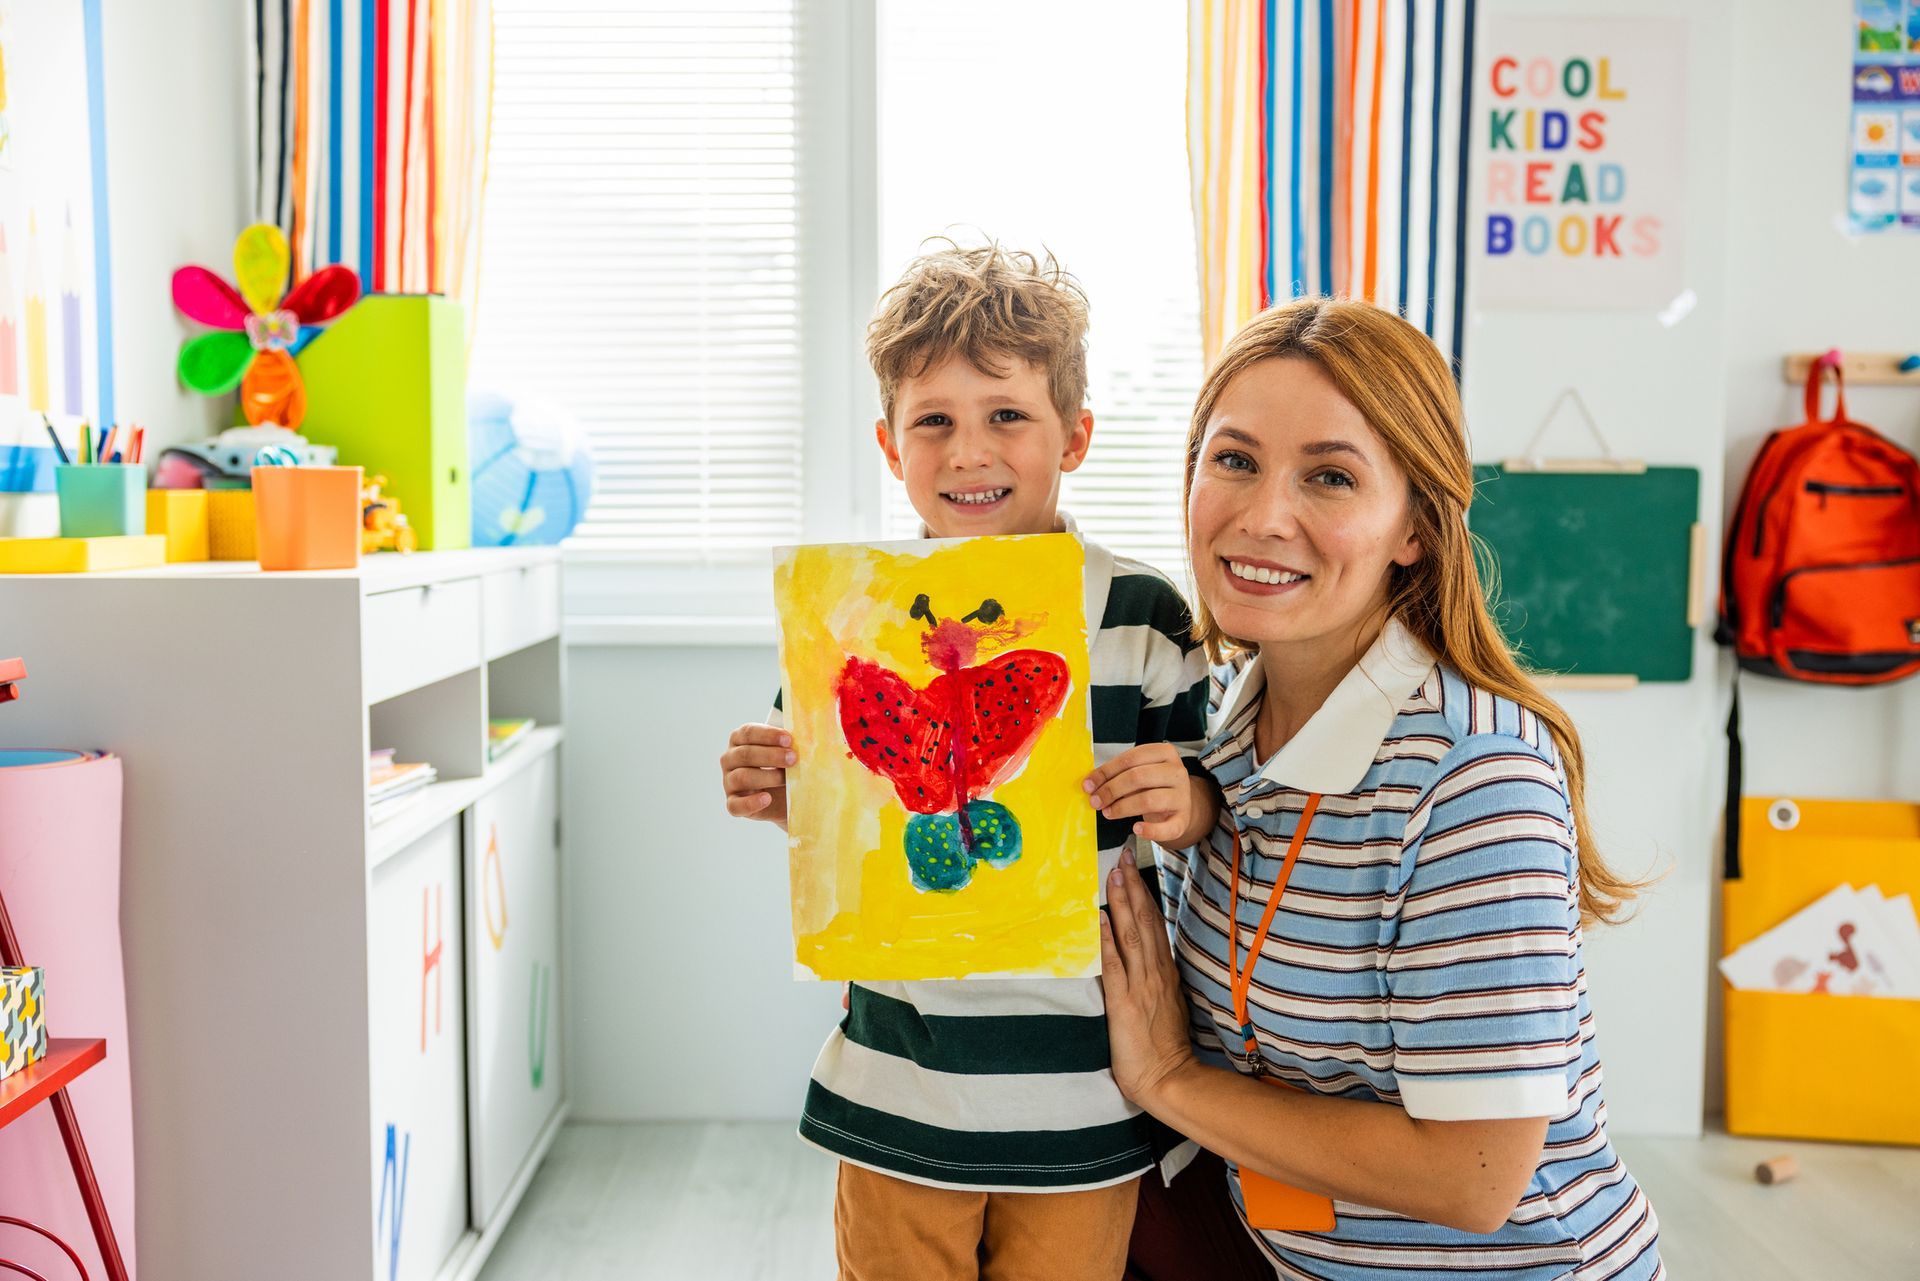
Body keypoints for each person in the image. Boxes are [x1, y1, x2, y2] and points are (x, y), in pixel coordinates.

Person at [1096, 296, 1664, 1279]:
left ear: (1414, 528)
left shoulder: (1472, 776)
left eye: (1330, 477)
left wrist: (1171, 1080)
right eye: (1233, 460)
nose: (1263, 516)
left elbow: (1475, 1177)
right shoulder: (1215, 716)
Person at [719, 242, 1218, 1281]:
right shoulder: (848, 618)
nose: (967, 451)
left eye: (1006, 416)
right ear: (889, 445)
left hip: (1087, 1086)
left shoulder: (1143, 616)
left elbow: (1217, 800)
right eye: (932, 420)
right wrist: (776, 794)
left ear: (1074, 436)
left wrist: (1188, 802)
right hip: (902, 1081)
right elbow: (839, 805)